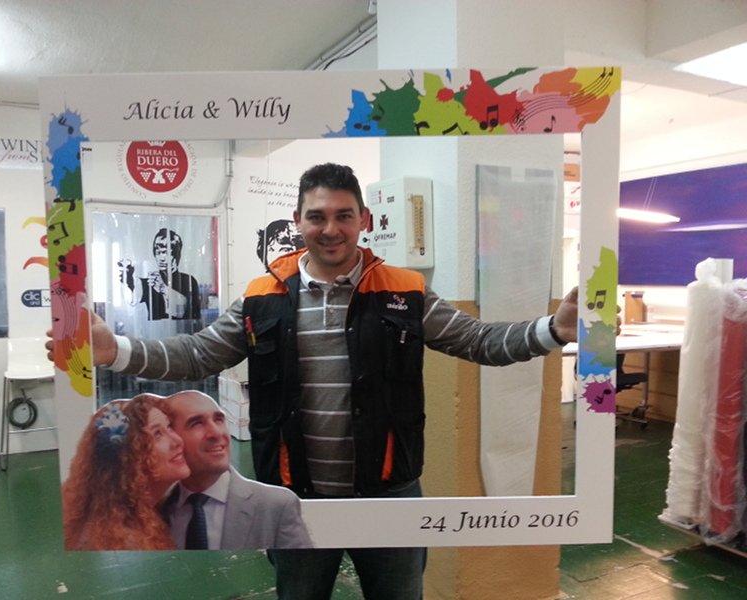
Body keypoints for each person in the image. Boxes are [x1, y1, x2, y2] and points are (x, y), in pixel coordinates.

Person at [50, 163, 579, 598]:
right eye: (318, 216)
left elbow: (479, 341)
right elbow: (198, 353)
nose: (331, 229)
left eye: (344, 216)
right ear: (297, 219)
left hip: (389, 494)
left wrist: (553, 329)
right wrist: (114, 350)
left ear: (363, 219)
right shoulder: (263, 294)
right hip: (294, 497)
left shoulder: (404, 291)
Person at [160, 390, 313, 550]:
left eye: (219, 420)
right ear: (169, 439)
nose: (216, 433)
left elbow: (300, 573)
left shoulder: (275, 506)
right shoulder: (152, 509)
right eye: (197, 423)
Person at [62, 394, 190, 550]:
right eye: (157, 434)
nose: (177, 441)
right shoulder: (123, 541)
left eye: (169, 426)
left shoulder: (137, 515)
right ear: (130, 459)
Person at [118, 228, 201, 320]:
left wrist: (163, 289)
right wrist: (128, 281)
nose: (161, 257)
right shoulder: (150, 281)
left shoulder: (188, 281)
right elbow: (132, 301)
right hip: (154, 332)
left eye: (166, 252)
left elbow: (184, 312)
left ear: (176, 254)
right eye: (158, 252)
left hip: (183, 331)